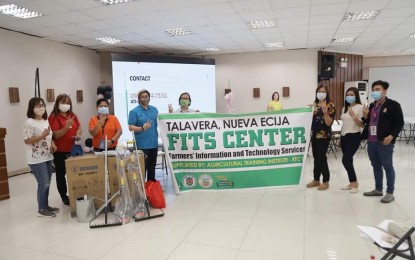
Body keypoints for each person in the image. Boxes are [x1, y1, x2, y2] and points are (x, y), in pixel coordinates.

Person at [361, 80, 404, 203]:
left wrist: (391, 136)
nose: (375, 92)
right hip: (371, 141)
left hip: (384, 142)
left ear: (384, 91)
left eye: (378, 89)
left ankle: (390, 192)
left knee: (387, 166)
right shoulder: (372, 105)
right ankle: (378, 189)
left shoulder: (393, 105)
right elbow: (368, 122)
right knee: (375, 166)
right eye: (373, 89)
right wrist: (365, 116)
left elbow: (399, 122)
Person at [23, 97, 59, 217]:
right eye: (38, 106)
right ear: (32, 108)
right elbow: (27, 140)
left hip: (47, 156)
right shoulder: (29, 123)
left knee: (47, 182)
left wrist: (53, 144)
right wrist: (42, 135)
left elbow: (49, 136)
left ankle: (45, 205)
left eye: (42, 105)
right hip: (36, 158)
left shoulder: (45, 121)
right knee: (43, 183)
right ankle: (41, 210)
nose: (41, 108)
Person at [48, 94, 82, 206]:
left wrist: (77, 134)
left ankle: (77, 193)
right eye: (63, 102)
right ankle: (64, 196)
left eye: (68, 103)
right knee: (61, 175)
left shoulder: (72, 115)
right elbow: (54, 136)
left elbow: (79, 128)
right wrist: (66, 127)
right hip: (60, 151)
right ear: (57, 104)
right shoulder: (54, 117)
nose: (66, 105)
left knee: (75, 173)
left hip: (73, 150)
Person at [306, 85, 336, 191]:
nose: (321, 93)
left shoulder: (330, 105)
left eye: (323, 91)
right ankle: (316, 179)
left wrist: (325, 112)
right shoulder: (314, 105)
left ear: (327, 93)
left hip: (324, 136)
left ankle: (326, 181)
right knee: (315, 157)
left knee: (321, 157)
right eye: (319, 91)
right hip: (314, 135)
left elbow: (329, 123)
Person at [128, 89, 159, 181]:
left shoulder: (154, 109)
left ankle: (151, 186)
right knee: (142, 167)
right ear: (138, 99)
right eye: (142, 97)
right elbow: (130, 127)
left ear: (149, 97)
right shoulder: (134, 111)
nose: (145, 99)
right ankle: (142, 189)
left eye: (146, 96)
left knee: (152, 166)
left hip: (154, 143)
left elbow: (162, 121)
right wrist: (142, 128)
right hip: (142, 144)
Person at [340, 87, 364, 193]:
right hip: (344, 136)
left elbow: (362, 124)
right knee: (348, 160)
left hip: (354, 136)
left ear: (356, 96)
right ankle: (351, 182)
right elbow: (344, 123)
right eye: (347, 95)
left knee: (345, 159)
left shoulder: (360, 107)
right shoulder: (344, 108)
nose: (349, 97)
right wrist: (340, 137)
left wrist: (354, 116)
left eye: (351, 94)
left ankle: (354, 183)